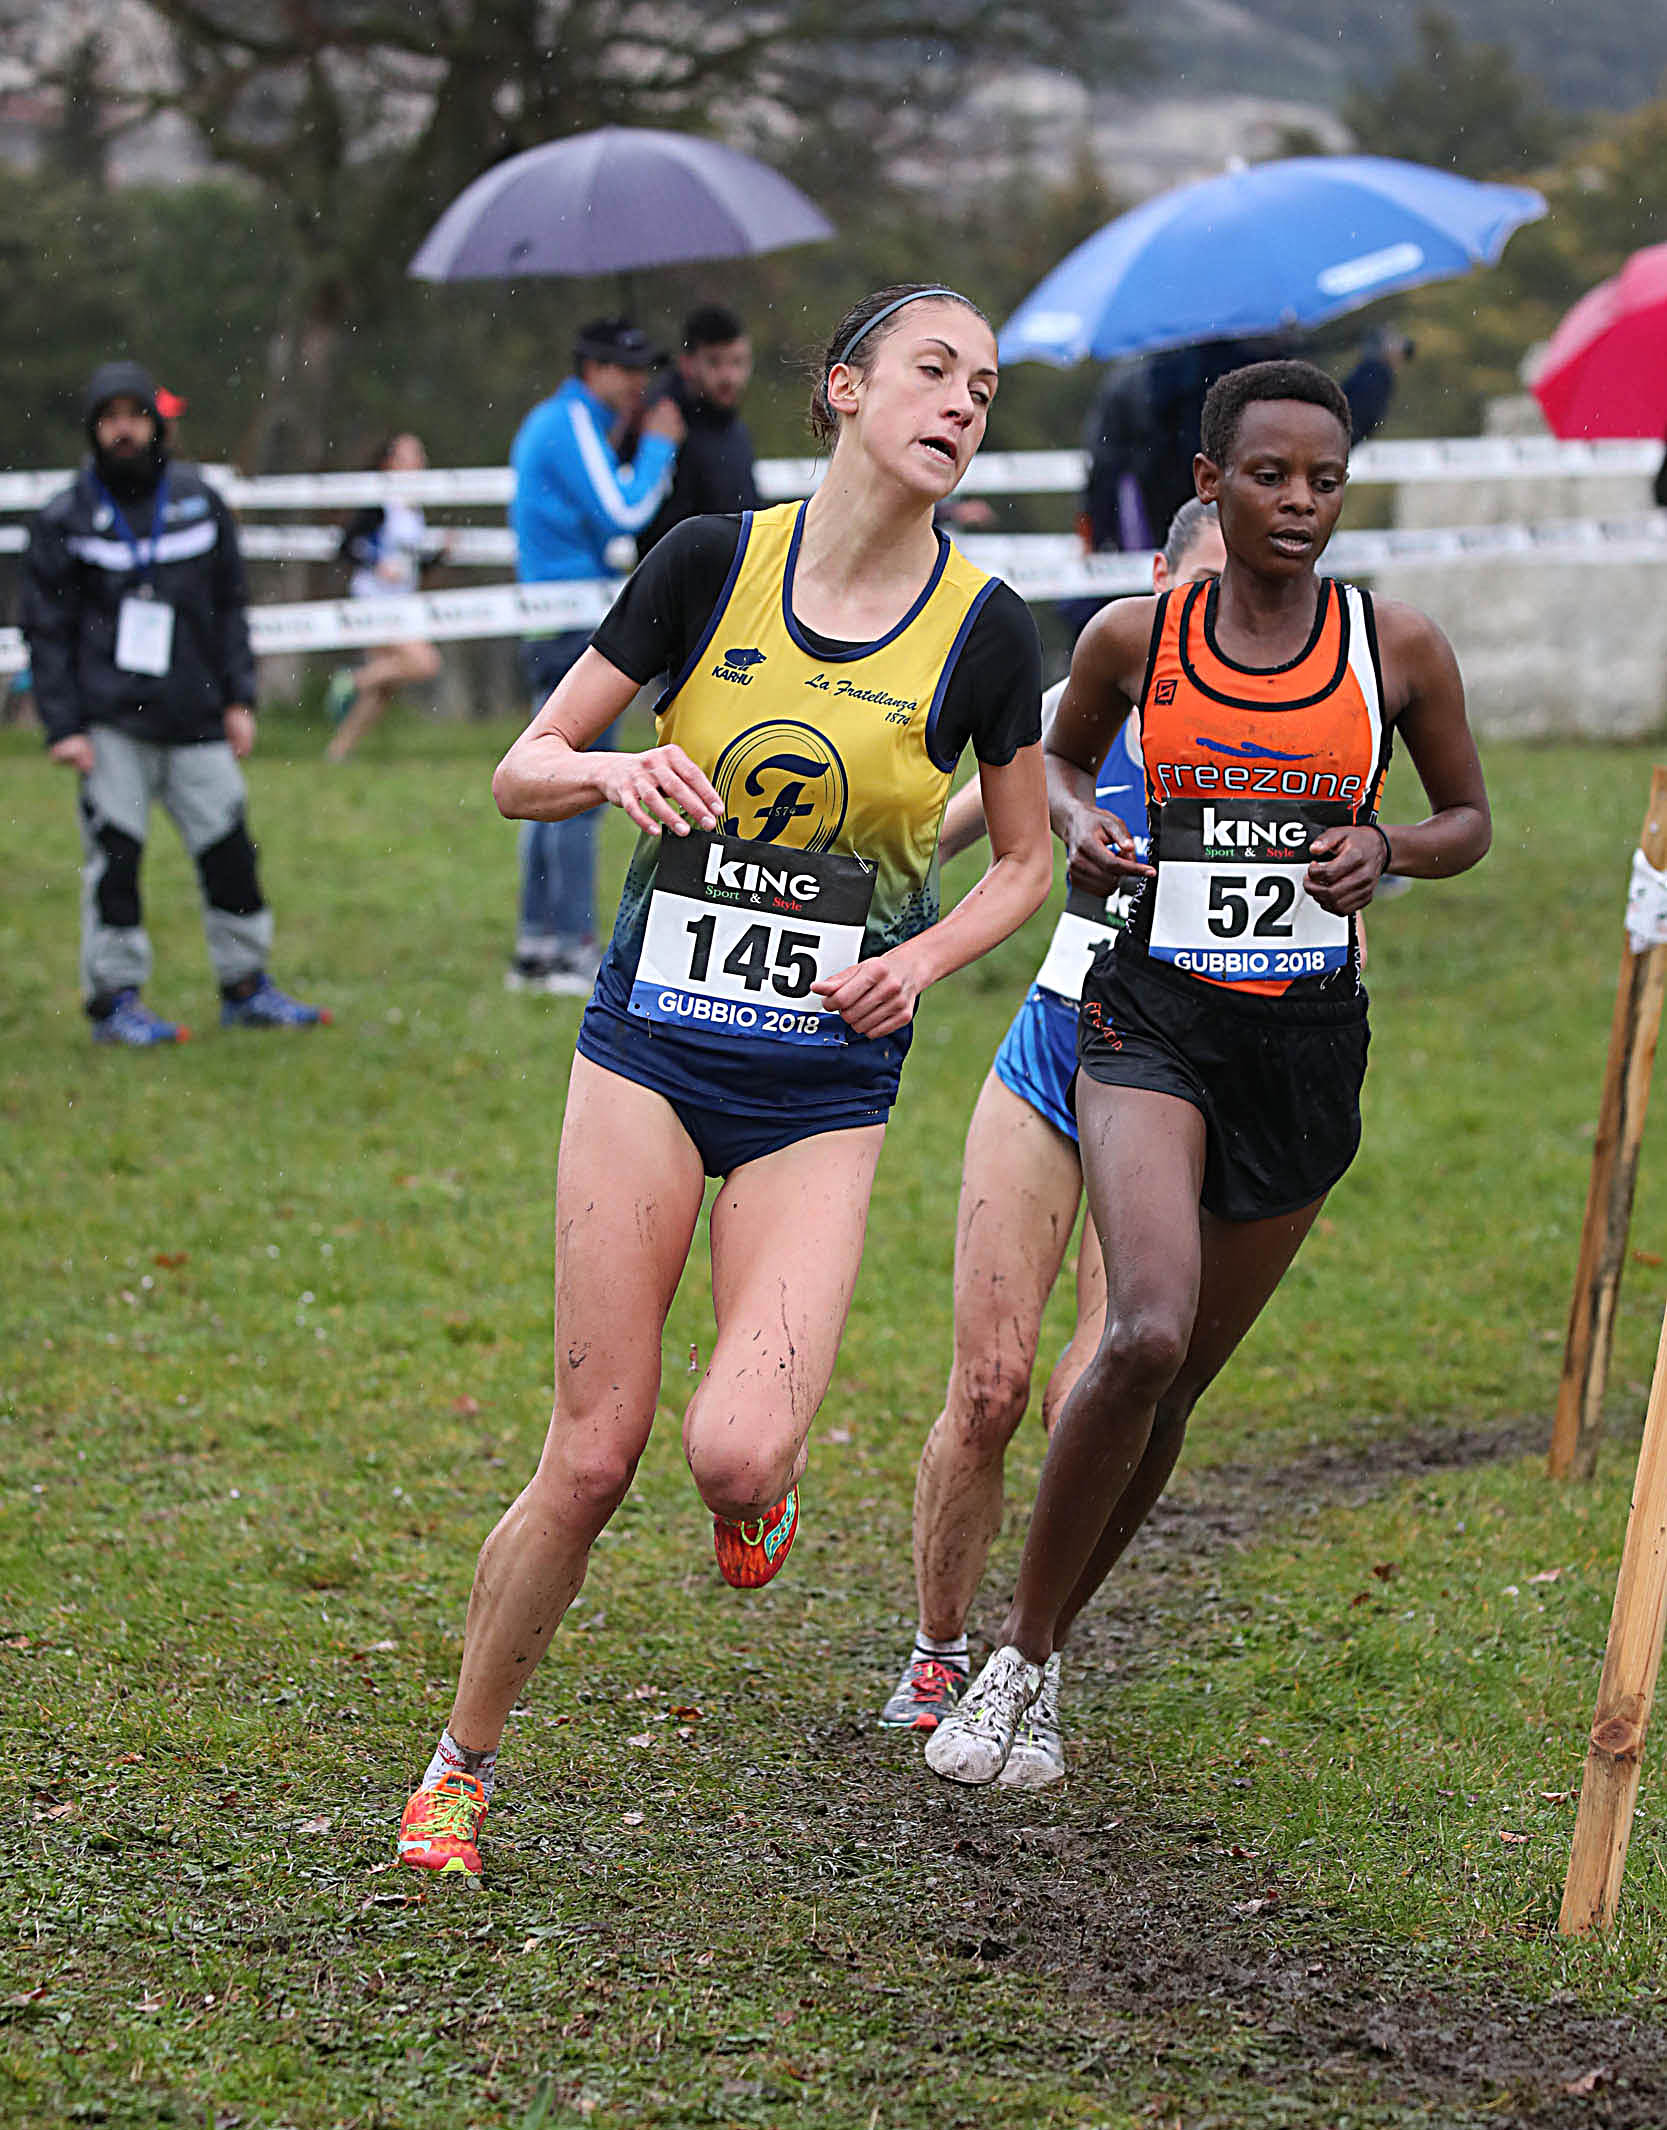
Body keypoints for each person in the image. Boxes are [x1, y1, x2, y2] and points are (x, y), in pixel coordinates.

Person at [395, 283, 1052, 1879]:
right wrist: (610, 764)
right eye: (931, 371)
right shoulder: (706, 562)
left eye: (982, 388)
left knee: (736, 1451)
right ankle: (456, 1767)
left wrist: (917, 960)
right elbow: (518, 769)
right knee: (593, 1450)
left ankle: (759, 1491)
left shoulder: (982, 625)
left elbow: (1024, 860)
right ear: (842, 389)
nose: (960, 405)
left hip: (818, 1085)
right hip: (648, 1048)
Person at [924, 359, 1491, 1784]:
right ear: (1207, 483)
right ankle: (1012, 1658)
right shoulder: (1134, 636)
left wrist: (1389, 846)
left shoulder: (1394, 646)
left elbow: (1468, 818)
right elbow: (1055, 769)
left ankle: (1046, 1649)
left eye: (1323, 480)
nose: (1298, 502)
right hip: (1148, 1020)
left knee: (1171, 1392)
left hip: (1301, 1047)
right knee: (1143, 1331)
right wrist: (1081, 826)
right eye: (1268, 475)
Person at [878, 500, 1225, 1786]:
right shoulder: (1092, 692)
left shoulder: (1287, 731)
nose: (1220, 619)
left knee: (1099, 1383)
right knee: (989, 1387)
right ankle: (935, 1649)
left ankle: (1032, 1663)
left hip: (1175, 1075)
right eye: (1199, 588)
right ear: (1155, 577)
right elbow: (942, 825)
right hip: (1049, 1049)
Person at [21, 360, 329, 1044]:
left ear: (156, 424)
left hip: (197, 719)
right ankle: (115, 1000)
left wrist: (240, 699)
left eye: (135, 415)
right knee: (116, 862)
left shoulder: (199, 502)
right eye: (110, 418)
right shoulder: (66, 518)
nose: (123, 430)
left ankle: (246, 987)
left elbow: (230, 608)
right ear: (93, 429)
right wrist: (63, 725)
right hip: (110, 725)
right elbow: (46, 629)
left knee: (231, 854)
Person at [505, 318, 685, 994]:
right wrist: (659, 448)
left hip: (552, 618)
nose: (640, 382)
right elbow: (622, 512)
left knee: (546, 779)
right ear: (593, 369)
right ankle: (571, 947)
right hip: (570, 622)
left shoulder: (564, 422)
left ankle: (537, 945)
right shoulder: (568, 421)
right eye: (628, 368)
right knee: (578, 791)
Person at [324, 432, 449, 762]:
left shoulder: (413, 507)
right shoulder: (379, 502)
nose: (418, 463)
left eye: (420, 455)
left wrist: (440, 554)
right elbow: (345, 547)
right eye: (409, 456)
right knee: (425, 663)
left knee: (383, 689)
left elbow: (410, 563)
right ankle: (352, 680)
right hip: (374, 602)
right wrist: (376, 564)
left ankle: (338, 753)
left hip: (400, 601)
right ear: (389, 463)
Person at [637, 303, 760, 552]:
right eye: (714, 362)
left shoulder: (732, 426)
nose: (729, 376)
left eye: (738, 362)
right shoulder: (661, 425)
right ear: (687, 364)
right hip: (681, 569)